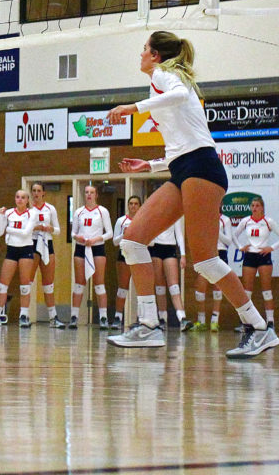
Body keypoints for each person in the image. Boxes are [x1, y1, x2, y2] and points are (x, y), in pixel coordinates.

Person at [107, 31, 276, 357]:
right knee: (132, 240)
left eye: (144, 49)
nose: (140, 55)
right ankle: (149, 325)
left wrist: (132, 108)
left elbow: (182, 95)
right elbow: (183, 143)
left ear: (155, 55)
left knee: (206, 261)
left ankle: (258, 327)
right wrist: (151, 164)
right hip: (185, 167)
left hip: (202, 168)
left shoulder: (165, 75)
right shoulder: (159, 80)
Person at [0, 190, 39, 326]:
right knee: (2, 285)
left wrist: (9, 229)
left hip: (26, 250)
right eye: (17, 197)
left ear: (27, 200)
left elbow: (26, 233)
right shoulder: (9, 213)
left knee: (25, 285)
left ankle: (24, 316)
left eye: (23, 197)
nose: (20, 200)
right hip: (11, 250)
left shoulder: (32, 213)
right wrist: (1, 216)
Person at [69, 185, 113, 329]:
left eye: (92, 192)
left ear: (96, 195)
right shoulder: (78, 212)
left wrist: (96, 240)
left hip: (97, 248)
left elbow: (110, 233)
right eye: (87, 192)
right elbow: (73, 233)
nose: (89, 195)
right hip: (81, 249)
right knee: (79, 283)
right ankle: (74, 317)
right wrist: (78, 237)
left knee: (99, 283)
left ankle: (103, 317)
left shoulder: (102, 211)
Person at [234, 198, 279, 329]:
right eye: (252, 205)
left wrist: (271, 247)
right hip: (249, 256)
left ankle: (270, 322)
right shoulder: (246, 221)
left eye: (257, 205)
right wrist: (240, 247)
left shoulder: (268, 221)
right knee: (246, 292)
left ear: (262, 208)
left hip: (263, 256)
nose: (254, 208)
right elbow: (234, 235)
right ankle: (245, 322)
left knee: (266, 291)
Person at [192, 206, 234, 331]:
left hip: (220, 253)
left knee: (218, 288)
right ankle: (201, 321)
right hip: (206, 253)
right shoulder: (204, 218)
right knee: (200, 289)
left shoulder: (225, 220)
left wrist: (217, 231)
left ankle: (215, 321)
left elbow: (229, 241)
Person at [29, 182, 65, 328]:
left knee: (48, 283)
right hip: (31, 243)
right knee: (28, 281)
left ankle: (53, 317)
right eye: (34, 191)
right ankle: (24, 315)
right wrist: (35, 227)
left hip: (47, 244)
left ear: (43, 193)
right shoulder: (28, 209)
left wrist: (50, 228)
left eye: (39, 191)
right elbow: (25, 228)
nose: (36, 193)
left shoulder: (50, 209)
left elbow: (58, 230)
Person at [150, 218, 192, 330]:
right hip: (155, 248)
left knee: (174, 286)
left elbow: (179, 234)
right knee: (160, 287)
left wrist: (183, 255)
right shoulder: (154, 212)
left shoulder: (174, 213)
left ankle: (182, 318)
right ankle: (162, 319)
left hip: (170, 248)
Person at [111, 195, 142, 329]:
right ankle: (118, 317)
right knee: (122, 287)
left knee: (141, 289)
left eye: (135, 204)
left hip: (139, 255)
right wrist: (125, 234)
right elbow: (114, 241)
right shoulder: (121, 221)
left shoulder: (143, 220)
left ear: (140, 206)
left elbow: (150, 241)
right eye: (131, 203)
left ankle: (140, 318)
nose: (133, 206)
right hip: (124, 254)